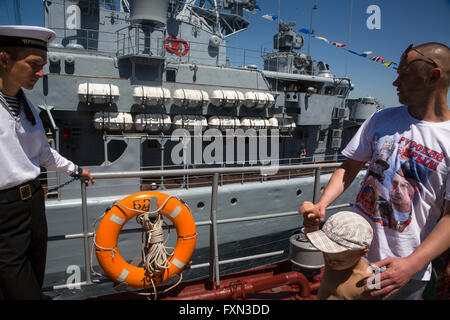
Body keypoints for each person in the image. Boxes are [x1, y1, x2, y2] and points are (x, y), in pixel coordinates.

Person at [301, 42, 450, 300]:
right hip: (349, 254)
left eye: (404, 75)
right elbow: (349, 167)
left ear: (433, 77)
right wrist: (322, 204)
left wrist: (412, 265)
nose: (395, 82)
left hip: (400, 269)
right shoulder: (381, 119)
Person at [0, 25, 95, 300]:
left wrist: (76, 170)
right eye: (33, 64)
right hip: (4, 210)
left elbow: (42, 152)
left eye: (42, 65)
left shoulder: (24, 103)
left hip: (32, 205)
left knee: (34, 274)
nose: (41, 73)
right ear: (4, 58)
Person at [299, 207, 378, 300]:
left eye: (339, 261)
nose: (329, 262)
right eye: (326, 254)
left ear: (362, 252)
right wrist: (311, 222)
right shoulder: (335, 260)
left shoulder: (369, 283)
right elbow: (311, 237)